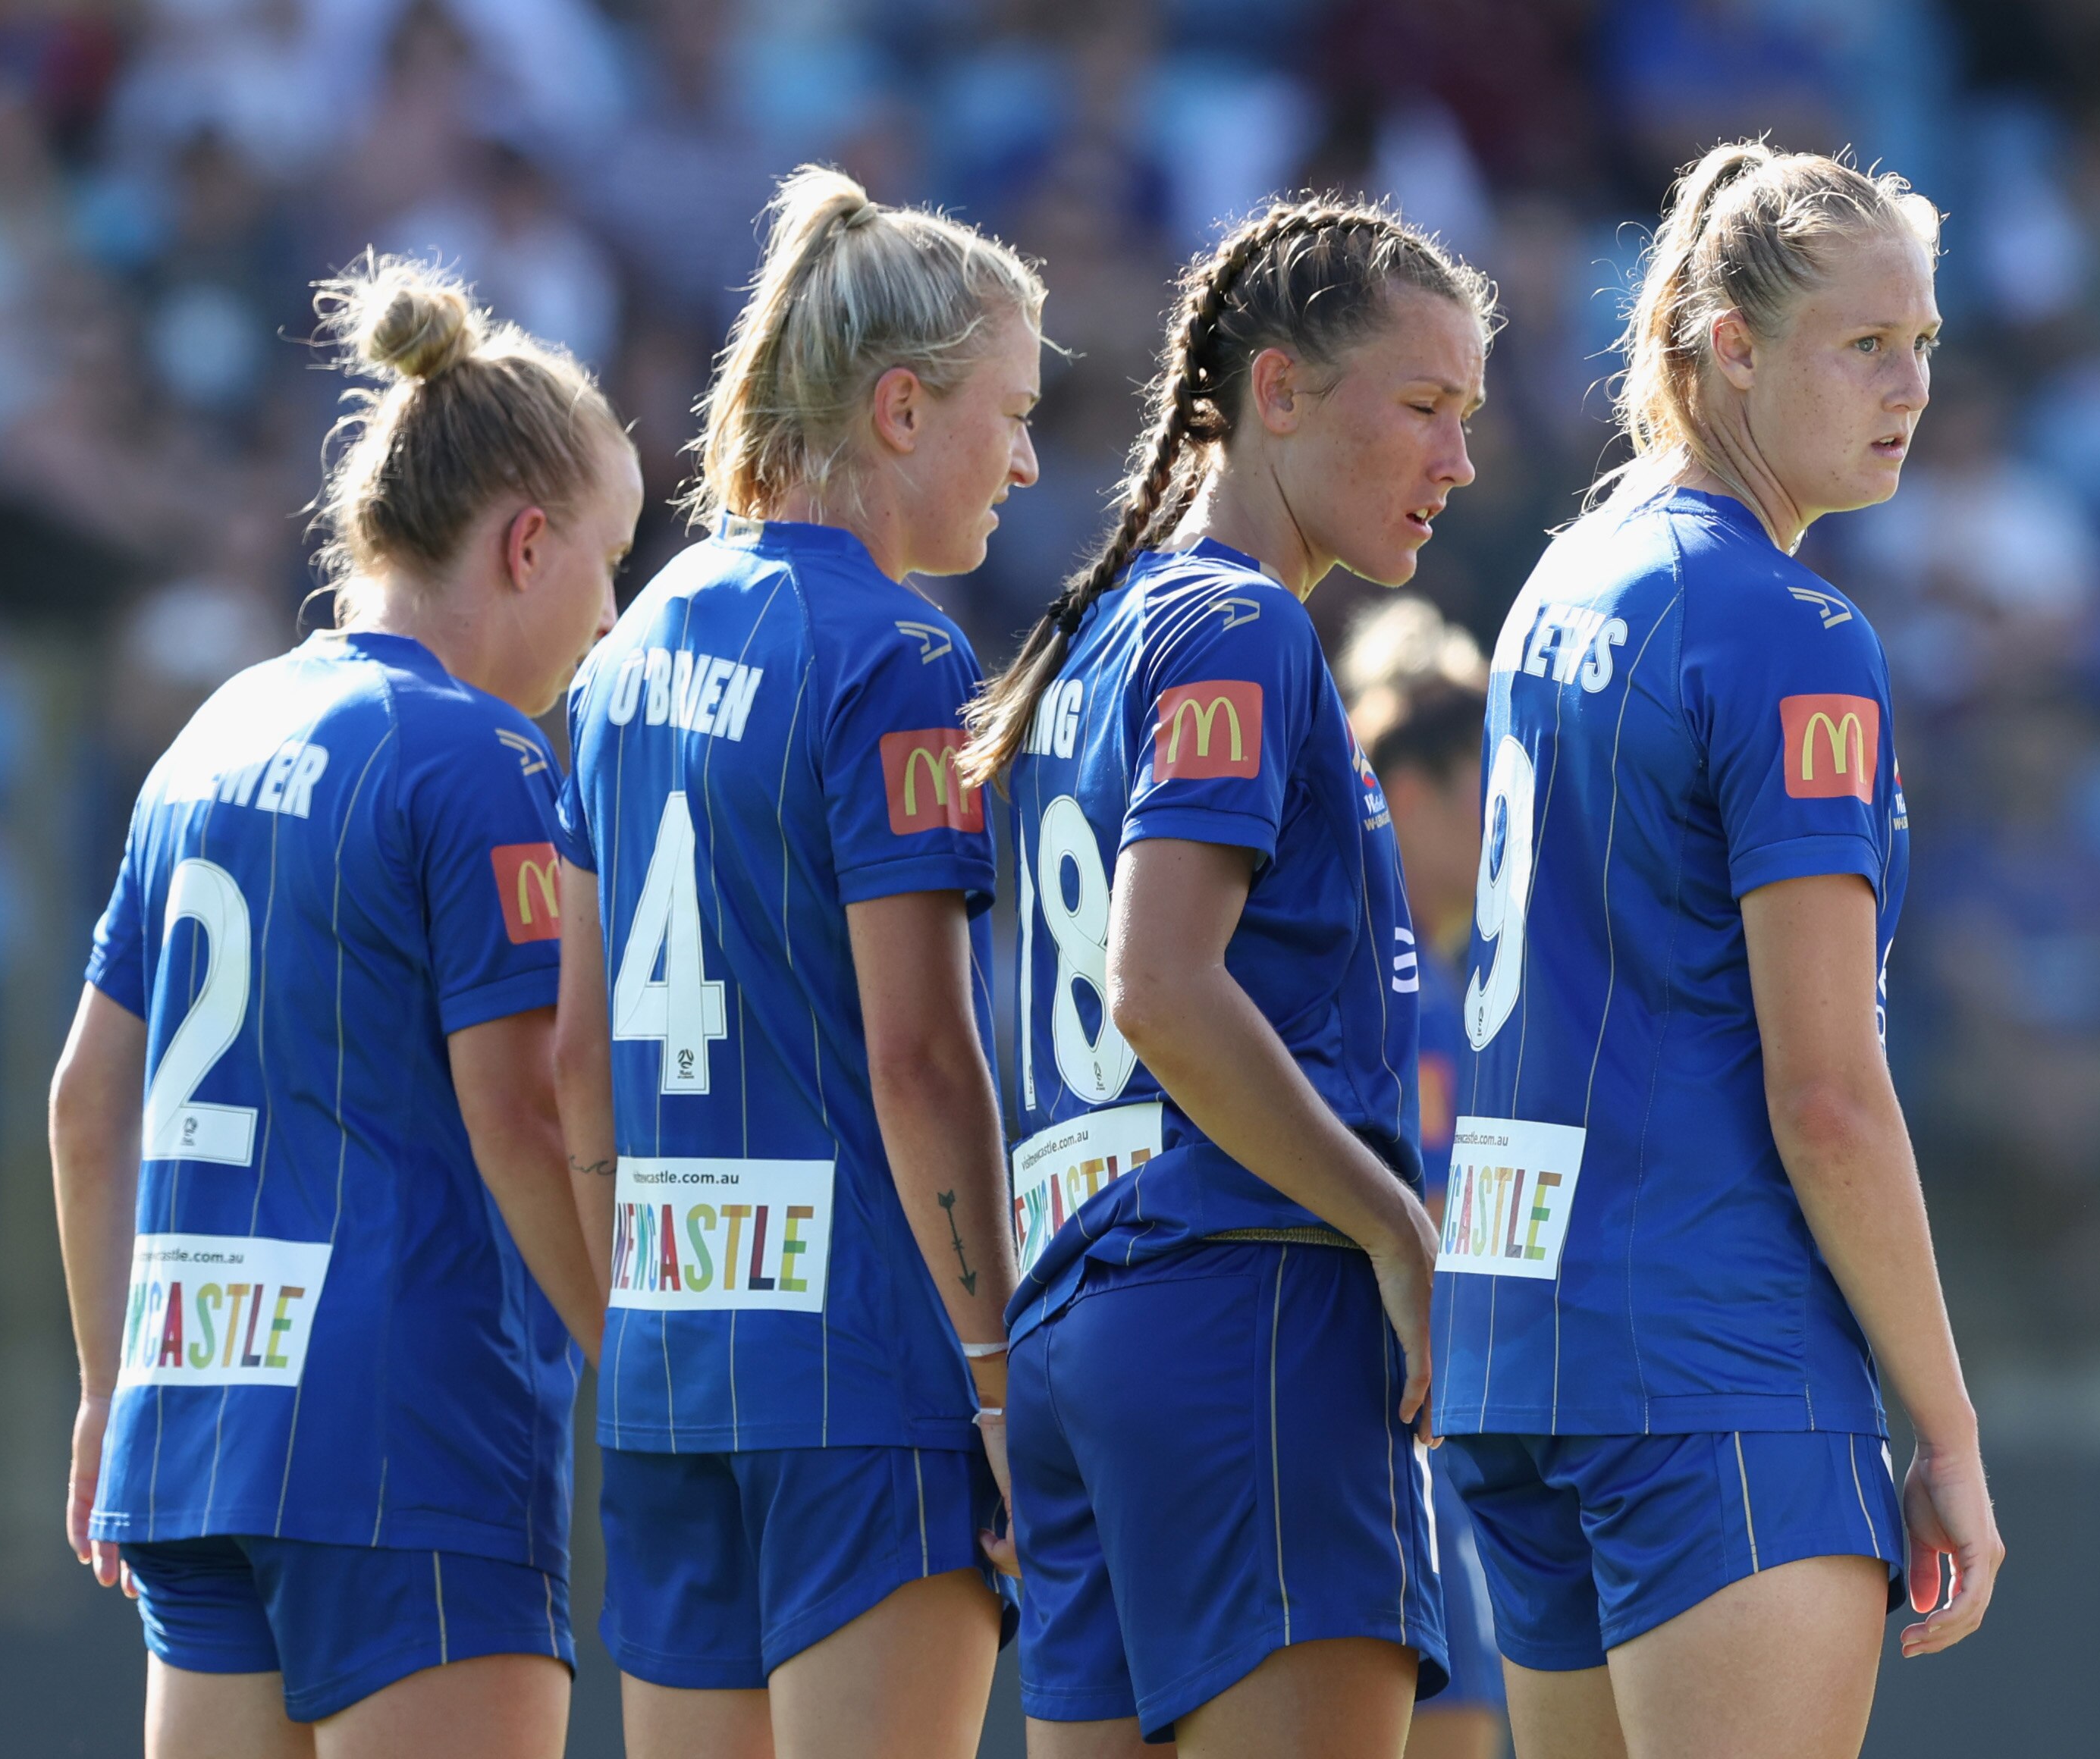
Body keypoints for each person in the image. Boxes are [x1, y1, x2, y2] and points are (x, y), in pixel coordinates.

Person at [1430, 142, 2004, 1759]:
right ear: (1730, 345)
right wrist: (1948, 1428)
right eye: (1866, 343)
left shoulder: (1564, 575)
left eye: (1925, 343)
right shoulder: (1786, 628)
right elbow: (1827, 1097)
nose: (1912, 387)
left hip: (1518, 1357)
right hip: (1708, 1362)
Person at [47, 256, 637, 1757]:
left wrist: (108, 1385)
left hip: (189, 1427)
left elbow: (85, 1104)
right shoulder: (481, 757)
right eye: (610, 560)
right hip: (406, 1442)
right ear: (527, 544)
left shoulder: (210, 733)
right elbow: (523, 1111)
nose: (610, 613)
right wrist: (642, 1377)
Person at [958, 197, 1495, 1759]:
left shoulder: (1108, 631)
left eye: (1468, 414)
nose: (1459, 459)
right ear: (1277, 390)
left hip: (1085, 1325)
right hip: (1247, 1311)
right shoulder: (1241, 625)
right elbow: (1162, 987)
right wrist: (1396, 1225)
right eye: (1424, 405)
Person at [551, 165, 1040, 1759]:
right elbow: (921, 1059)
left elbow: (572, 1059)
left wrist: (644, 1322)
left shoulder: (624, 648)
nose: (1028, 461)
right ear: (901, 409)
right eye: (1010, 414)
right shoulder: (902, 654)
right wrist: (1000, 1380)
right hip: (864, 1377)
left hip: (669, 1374)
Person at [1339, 600, 1508, 1759]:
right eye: (1487, 794)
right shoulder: (1402, 981)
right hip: (1391, 1428)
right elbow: (1429, 1224)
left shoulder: (1428, 974)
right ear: (1414, 789)